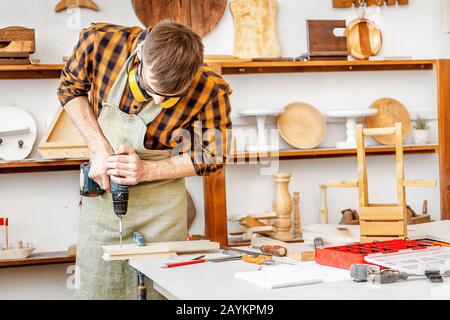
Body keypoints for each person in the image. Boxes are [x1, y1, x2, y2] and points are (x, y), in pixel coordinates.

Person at [57, 20, 232, 300]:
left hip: (161, 210)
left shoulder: (210, 89)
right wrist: (99, 147)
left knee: (161, 291)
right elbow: (69, 89)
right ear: (139, 53)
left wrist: (147, 170)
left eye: (170, 98)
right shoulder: (100, 43)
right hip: (103, 197)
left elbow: (212, 155)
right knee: (98, 288)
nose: (158, 101)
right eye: (151, 90)